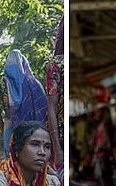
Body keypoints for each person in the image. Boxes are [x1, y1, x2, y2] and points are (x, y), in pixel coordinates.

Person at [0, 49, 48, 158]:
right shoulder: (33, 84)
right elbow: (44, 109)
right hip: (33, 130)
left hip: (10, 128)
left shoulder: (1, 85)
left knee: (13, 162)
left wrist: (4, 129)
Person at [45, 17, 64, 169]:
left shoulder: (56, 65)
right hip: (62, 134)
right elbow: (51, 108)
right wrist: (57, 149)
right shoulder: (56, 65)